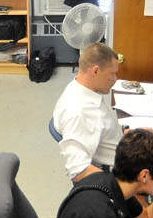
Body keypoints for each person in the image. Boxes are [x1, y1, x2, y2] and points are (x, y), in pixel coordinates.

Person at [52, 43, 121, 182]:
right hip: (118, 173)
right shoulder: (81, 112)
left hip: (121, 152)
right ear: (95, 71)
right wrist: (119, 187)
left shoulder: (77, 87)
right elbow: (77, 170)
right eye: (112, 73)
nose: (115, 79)